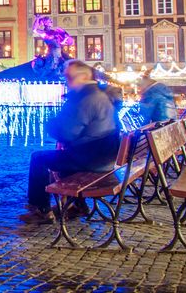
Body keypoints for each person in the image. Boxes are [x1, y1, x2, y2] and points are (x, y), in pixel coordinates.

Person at [19, 60, 121, 225]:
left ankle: (40, 210)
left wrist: (50, 123)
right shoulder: (100, 94)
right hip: (105, 156)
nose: (67, 80)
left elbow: (67, 132)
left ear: (83, 77)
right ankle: (76, 204)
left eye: (70, 77)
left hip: (93, 160)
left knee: (39, 159)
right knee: (61, 156)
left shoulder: (86, 98)